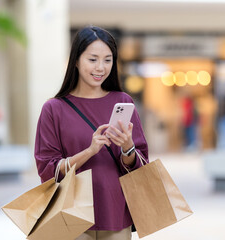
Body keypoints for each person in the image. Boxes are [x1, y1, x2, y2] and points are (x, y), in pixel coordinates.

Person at [34, 26, 149, 240]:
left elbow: (141, 166)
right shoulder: (54, 109)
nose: (100, 68)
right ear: (76, 61)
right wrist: (90, 150)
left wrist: (127, 147)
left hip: (116, 213)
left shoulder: (123, 102)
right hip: (70, 214)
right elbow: (47, 170)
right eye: (93, 59)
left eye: (107, 59)